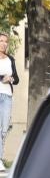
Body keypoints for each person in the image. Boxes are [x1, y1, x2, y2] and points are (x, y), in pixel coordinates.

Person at [0, 33, 15, 167]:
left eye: (6, 42)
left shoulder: (10, 59)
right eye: (1, 41)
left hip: (7, 96)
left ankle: (1, 156)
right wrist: (2, 78)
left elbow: (16, 79)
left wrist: (11, 79)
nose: (4, 44)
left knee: (4, 129)